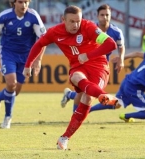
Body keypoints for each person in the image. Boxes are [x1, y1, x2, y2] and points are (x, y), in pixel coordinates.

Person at [22, 5, 119, 150]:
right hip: (78, 66)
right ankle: (103, 96)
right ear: (63, 20)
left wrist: (88, 55)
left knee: (86, 98)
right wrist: (28, 65)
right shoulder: (55, 32)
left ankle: (64, 137)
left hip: (98, 66)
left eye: (78, 21)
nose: (76, 25)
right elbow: (39, 44)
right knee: (75, 77)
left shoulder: (88, 27)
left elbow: (111, 44)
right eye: (72, 21)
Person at [0, 0, 46, 129]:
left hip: (26, 57)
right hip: (8, 54)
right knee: (11, 83)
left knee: (16, 90)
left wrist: (38, 60)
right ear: (14, 3)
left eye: (26, 2)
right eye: (20, 2)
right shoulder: (5, 16)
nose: (24, 5)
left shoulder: (33, 16)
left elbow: (43, 39)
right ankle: (7, 118)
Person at [60, 4, 125, 112]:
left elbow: (121, 47)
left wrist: (121, 59)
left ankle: (70, 96)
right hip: (85, 64)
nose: (105, 17)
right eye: (102, 15)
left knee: (88, 93)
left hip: (101, 67)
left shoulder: (116, 32)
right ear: (97, 16)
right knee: (85, 92)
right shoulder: (90, 28)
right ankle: (76, 113)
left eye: (107, 15)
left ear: (110, 16)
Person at [90, 48, 145, 124]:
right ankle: (126, 116)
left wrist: (122, 58)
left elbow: (137, 53)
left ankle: (88, 108)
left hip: (127, 82)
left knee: (116, 103)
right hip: (134, 89)